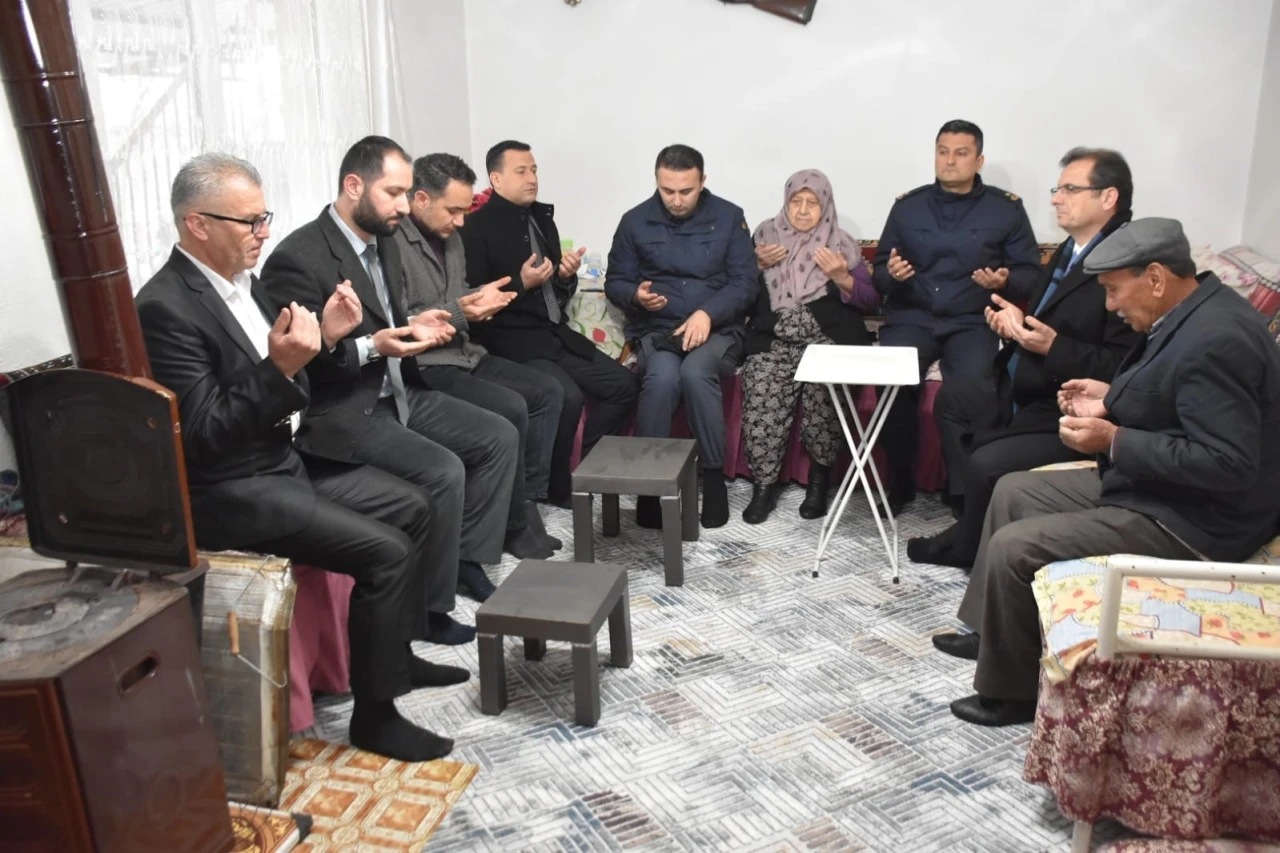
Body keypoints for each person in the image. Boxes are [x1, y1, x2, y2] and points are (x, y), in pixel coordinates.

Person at [136, 154, 466, 762]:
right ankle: (376, 717)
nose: (263, 233)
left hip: (281, 459)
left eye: (265, 218)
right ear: (197, 224)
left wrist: (332, 336)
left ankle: (395, 657)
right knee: (387, 552)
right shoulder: (164, 307)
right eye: (249, 222)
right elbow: (203, 435)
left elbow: (294, 368)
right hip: (232, 488)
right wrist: (280, 367)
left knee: (414, 505)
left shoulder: (246, 283)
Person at [931, 218, 1280, 727]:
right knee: (1013, 491)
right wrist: (1111, 397)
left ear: (1155, 277)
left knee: (1014, 547)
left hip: (1197, 520)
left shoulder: (1219, 340)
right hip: (1161, 487)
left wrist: (1113, 439)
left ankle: (1011, 695)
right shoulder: (1192, 311)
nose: (1111, 305)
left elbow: (1227, 463)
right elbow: (1174, 398)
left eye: (1115, 290)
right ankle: (992, 636)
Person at [261, 136, 527, 607]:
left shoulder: (383, 242)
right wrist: (371, 347)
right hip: (346, 406)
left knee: (498, 436)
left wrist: (414, 325)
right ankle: (432, 605)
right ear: (353, 186)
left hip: (401, 386)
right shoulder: (297, 258)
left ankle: (466, 559)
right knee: (444, 470)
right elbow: (301, 365)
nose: (404, 207)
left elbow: (389, 322)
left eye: (406, 193)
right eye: (394, 193)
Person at [908, 148, 1143, 568]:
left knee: (986, 460)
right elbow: (1048, 319)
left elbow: (1127, 366)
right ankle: (971, 516)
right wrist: (1015, 324)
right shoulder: (1073, 248)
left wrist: (1052, 347)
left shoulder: (1126, 265)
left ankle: (968, 544)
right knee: (953, 401)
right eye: (1058, 189)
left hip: (1066, 403)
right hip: (1025, 381)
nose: (1056, 198)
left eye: (1070, 189)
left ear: (1108, 197)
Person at [394, 152, 564, 551]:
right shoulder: (392, 244)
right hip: (428, 363)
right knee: (512, 407)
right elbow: (400, 320)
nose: (460, 222)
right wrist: (463, 310)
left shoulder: (451, 240)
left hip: (466, 351)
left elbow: (455, 296)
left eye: (465, 210)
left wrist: (480, 297)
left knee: (547, 392)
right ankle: (512, 523)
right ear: (421, 199)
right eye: (453, 211)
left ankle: (526, 502)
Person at [872, 119, 1042, 511]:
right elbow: (879, 274)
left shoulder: (1005, 209)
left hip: (971, 320)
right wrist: (891, 274)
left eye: (961, 153)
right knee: (892, 382)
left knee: (974, 389)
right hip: (913, 316)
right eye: (943, 152)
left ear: (979, 160)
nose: (950, 160)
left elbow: (1032, 277)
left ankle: (963, 489)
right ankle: (899, 480)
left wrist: (1006, 279)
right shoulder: (908, 207)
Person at [459, 140, 639, 505]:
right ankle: (554, 488)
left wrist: (564, 277)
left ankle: (586, 465)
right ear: (496, 178)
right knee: (567, 395)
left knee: (624, 385)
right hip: (511, 341)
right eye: (521, 171)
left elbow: (555, 293)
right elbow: (473, 298)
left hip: (554, 334)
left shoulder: (542, 219)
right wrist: (520, 282)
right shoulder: (473, 229)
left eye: (534, 170)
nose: (532, 178)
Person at [604, 144, 758, 528]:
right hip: (660, 330)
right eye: (667, 190)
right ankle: (651, 486)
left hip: (717, 329)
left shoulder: (729, 217)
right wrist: (635, 295)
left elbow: (745, 283)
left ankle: (713, 478)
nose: (675, 200)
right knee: (661, 378)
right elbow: (615, 282)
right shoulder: (634, 221)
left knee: (695, 372)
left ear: (702, 181)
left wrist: (708, 313)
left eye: (685, 191)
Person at [740, 169, 878, 524]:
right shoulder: (764, 237)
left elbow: (870, 300)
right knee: (762, 394)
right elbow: (737, 290)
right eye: (796, 201)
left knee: (826, 399)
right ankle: (763, 487)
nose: (802, 210)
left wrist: (841, 277)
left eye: (812, 202)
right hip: (773, 340)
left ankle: (819, 482)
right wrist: (755, 265)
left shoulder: (841, 244)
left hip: (827, 340)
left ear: (826, 205)